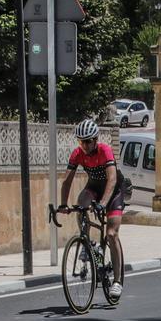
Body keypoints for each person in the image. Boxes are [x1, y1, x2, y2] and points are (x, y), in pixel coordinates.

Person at [57, 117, 126, 302]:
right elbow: (67, 181)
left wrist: (103, 203)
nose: (85, 146)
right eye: (81, 142)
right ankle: (88, 243)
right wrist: (63, 204)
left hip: (114, 192)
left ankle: (117, 281)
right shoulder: (77, 153)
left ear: (95, 139)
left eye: (87, 141)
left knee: (112, 234)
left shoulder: (105, 150)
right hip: (94, 188)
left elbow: (111, 179)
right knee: (81, 204)